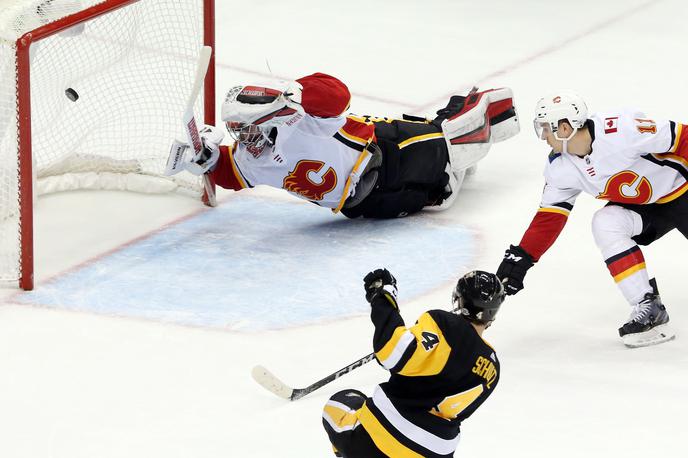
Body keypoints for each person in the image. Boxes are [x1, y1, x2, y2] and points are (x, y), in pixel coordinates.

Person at [169, 73, 519, 218]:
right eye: (236, 132)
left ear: (267, 118)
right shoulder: (251, 158)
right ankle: (449, 174)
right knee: (439, 198)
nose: (243, 140)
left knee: (450, 140)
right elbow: (233, 174)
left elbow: (338, 96)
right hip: (361, 205)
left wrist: (296, 92)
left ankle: (486, 109)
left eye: (244, 129)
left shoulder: (302, 119)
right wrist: (208, 159)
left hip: (386, 150)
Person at [496, 92, 687, 348]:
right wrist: (524, 257)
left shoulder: (622, 129)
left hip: (683, 190)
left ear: (564, 127)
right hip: (648, 208)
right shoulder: (560, 167)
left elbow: (683, 138)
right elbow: (549, 217)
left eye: (545, 128)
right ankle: (647, 304)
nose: (543, 137)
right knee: (606, 221)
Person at [321, 268, 505, 457]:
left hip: (385, 436)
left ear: (458, 299)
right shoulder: (493, 367)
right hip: (437, 451)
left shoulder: (444, 324)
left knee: (343, 403)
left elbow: (392, 353)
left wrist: (383, 296)